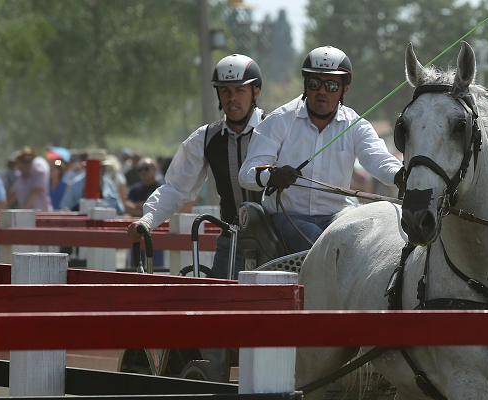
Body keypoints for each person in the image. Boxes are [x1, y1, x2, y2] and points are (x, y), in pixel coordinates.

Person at [238, 46, 402, 254]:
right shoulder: (279, 120)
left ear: (345, 89)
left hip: (337, 217)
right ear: (305, 85)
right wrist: (271, 175)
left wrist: (403, 176)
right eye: (315, 83)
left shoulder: (356, 125)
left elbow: (379, 159)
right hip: (287, 217)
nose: (322, 91)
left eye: (331, 85)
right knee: (321, 247)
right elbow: (246, 173)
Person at [126, 54, 266, 279]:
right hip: (230, 241)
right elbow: (175, 188)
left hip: (275, 242)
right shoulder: (206, 137)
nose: (232, 98)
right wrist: (147, 220)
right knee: (219, 310)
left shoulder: (275, 129)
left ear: (255, 92)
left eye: (239, 90)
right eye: (225, 91)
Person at [5, 147, 52, 212]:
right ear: (20, 162)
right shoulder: (20, 176)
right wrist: (2, 207)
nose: (28, 164)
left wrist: (22, 209)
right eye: (25, 161)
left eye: (30, 161)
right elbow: (14, 193)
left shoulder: (39, 173)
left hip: (41, 215)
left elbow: (36, 192)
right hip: (27, 215)